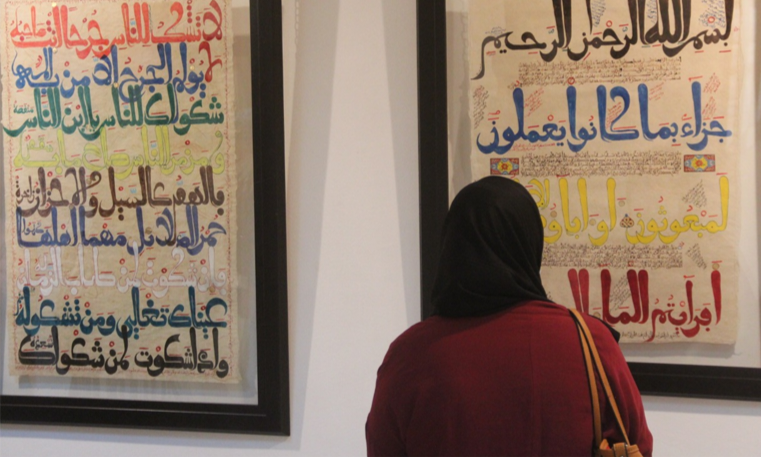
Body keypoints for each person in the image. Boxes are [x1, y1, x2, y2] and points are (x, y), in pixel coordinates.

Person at [366, 176, 652, 456]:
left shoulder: (410, 354)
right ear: (529, 242)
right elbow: (639, 444)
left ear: (451, 245)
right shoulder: (590, 341)